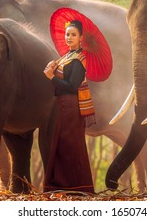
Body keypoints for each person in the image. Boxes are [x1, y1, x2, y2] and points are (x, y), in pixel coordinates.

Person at [43, 20, 95, 193]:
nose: (69, 37)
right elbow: (61, 83)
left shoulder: (79, 59)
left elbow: (72, 86)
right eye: (67, 34)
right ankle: (60, 186)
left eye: (73, 34)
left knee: (71, 145)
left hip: (72, 106)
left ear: (81, 38)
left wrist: (52, 77)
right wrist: (53, 68)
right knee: (60, 145)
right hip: (62, 105)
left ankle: (78, 187)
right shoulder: (66, 57)